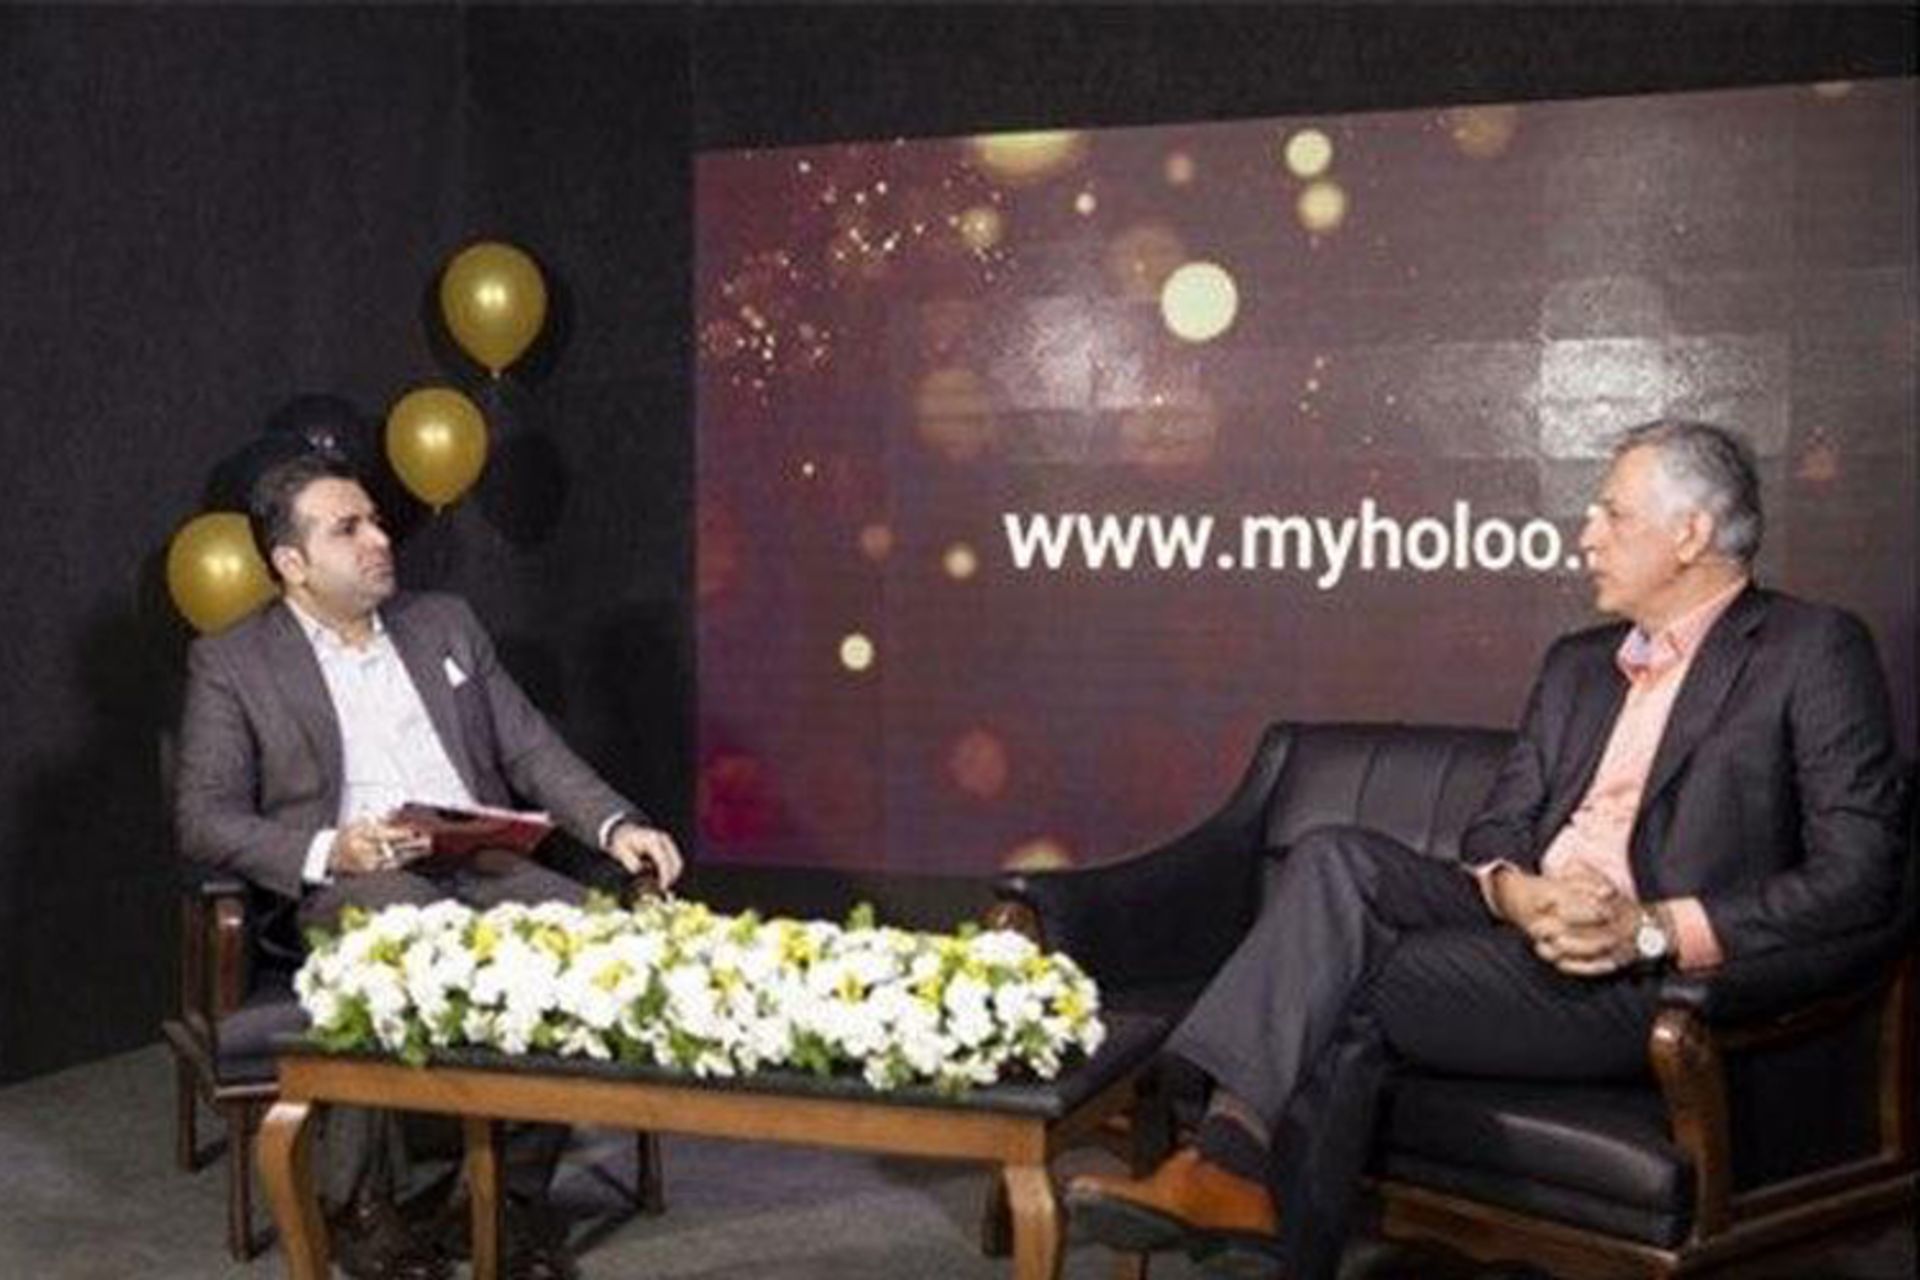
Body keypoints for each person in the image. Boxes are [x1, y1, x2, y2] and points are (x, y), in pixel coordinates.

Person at [1066, 420, 1907, 1279]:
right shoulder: (1578, 664)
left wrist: (1650, 928)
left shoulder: (1811, 649)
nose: (1586, 536)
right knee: (1332, 857)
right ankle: (1230, 1179)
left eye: (1612, 515)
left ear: (1690, 533)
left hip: (1638, 978)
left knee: (1342, 980)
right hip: (1521, 932)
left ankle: (1228, 1173)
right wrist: (1517, 893)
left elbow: (1860, 876)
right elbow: (1499, 825)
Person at [176, 451, 685, 1280]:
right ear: (292, 563)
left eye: (376, 521)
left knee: (590, 940)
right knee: (403, 935)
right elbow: (204, 817)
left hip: (482, 860)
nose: (379, 539)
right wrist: (329, 849)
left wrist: (615, 824)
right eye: (349, 530)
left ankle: (506, 1199)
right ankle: (360, 1207)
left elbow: (530, 748)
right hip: (359, 879)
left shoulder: (444, 622)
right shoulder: (233, 661)